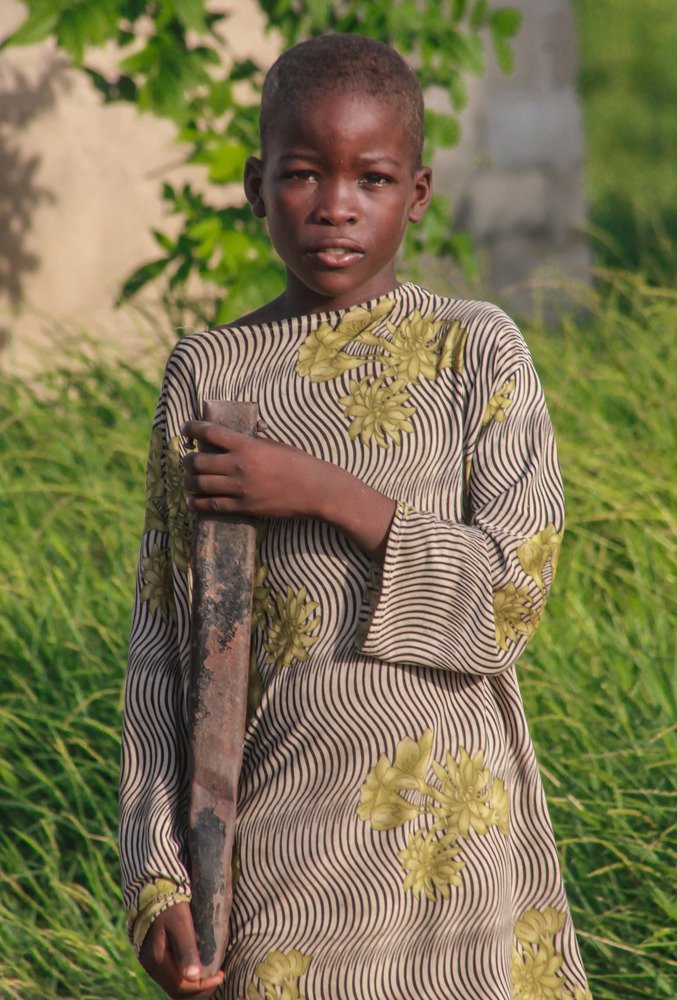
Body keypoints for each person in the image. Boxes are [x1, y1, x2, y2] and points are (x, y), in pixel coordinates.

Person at [120, 33, 592, 1000]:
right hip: (282, 863)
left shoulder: (474, 353)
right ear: (256, 186)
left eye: (371, 179)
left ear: (416, 193)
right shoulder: (210, 377)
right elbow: (163, 651)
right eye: (302, 173)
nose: (335, 205)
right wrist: (156, 872)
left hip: (458, 867)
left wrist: (324, 493)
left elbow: (508, 602)